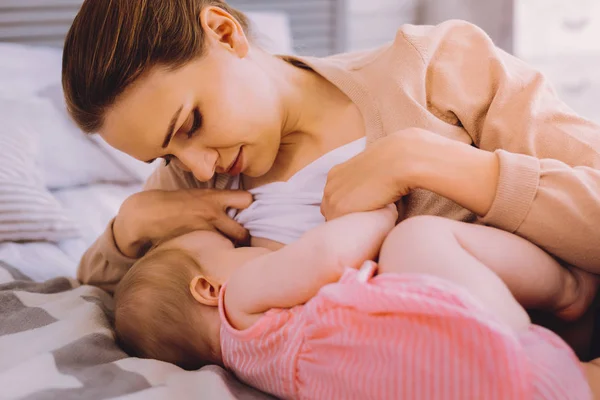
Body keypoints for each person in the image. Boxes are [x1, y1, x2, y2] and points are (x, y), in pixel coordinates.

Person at [63, 1, 600, 324]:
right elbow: (110, 293)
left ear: (224, 33)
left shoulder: (436, 67)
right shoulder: (191, 182)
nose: (199, 168)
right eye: (166, 153)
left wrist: (431, 161)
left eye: (190, 125)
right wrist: (128, 227)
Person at [114, 206, 592, 399]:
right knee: (416, 236)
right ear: (207, 288)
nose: (253, 253)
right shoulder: (236, 301)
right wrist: (379, 212)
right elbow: (326, 254)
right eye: (234, 252)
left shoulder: (258, 368)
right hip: (494, 350)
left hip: (507, 383)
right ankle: (570, 289)